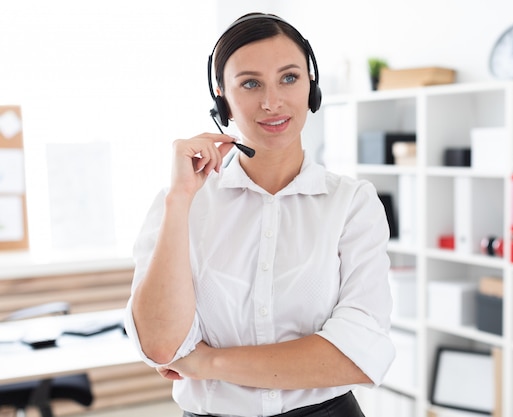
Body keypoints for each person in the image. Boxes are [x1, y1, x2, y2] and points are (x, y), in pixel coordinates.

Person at [124, 12, 395, 417]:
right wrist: (180, 199)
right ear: (222, 99)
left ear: (311, 87)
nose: (272, 102)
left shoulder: (352, 204)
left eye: (289, 78)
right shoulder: (182, 204)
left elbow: (355, 354)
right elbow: (161, 345)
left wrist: (206, 362)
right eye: (250, 83)